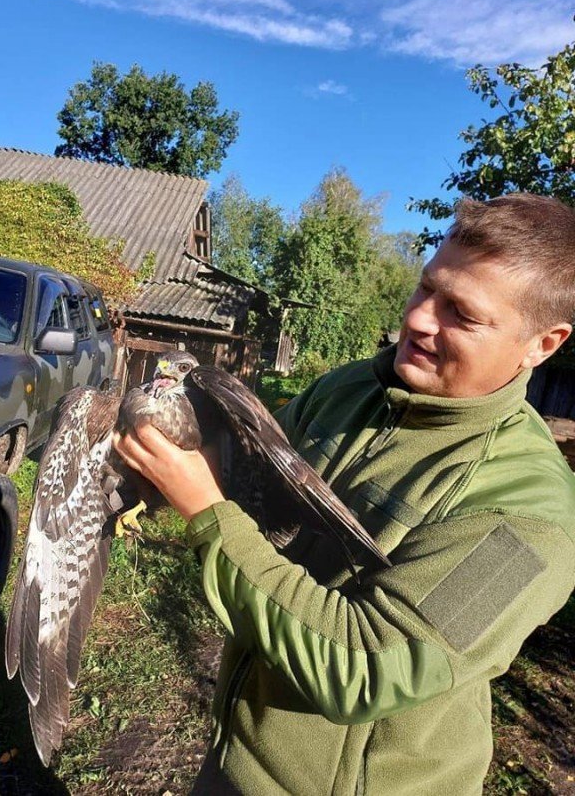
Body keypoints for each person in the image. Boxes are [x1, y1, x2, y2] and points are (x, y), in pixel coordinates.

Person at [113, 193, 575, 795]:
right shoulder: (353, 388)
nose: (419, 318)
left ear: (544, 344)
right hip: (236, 755)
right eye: (425, 288)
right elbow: (252, 484)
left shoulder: (528, 516)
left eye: (461, 313)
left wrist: (206, 510)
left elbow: (362, 671)